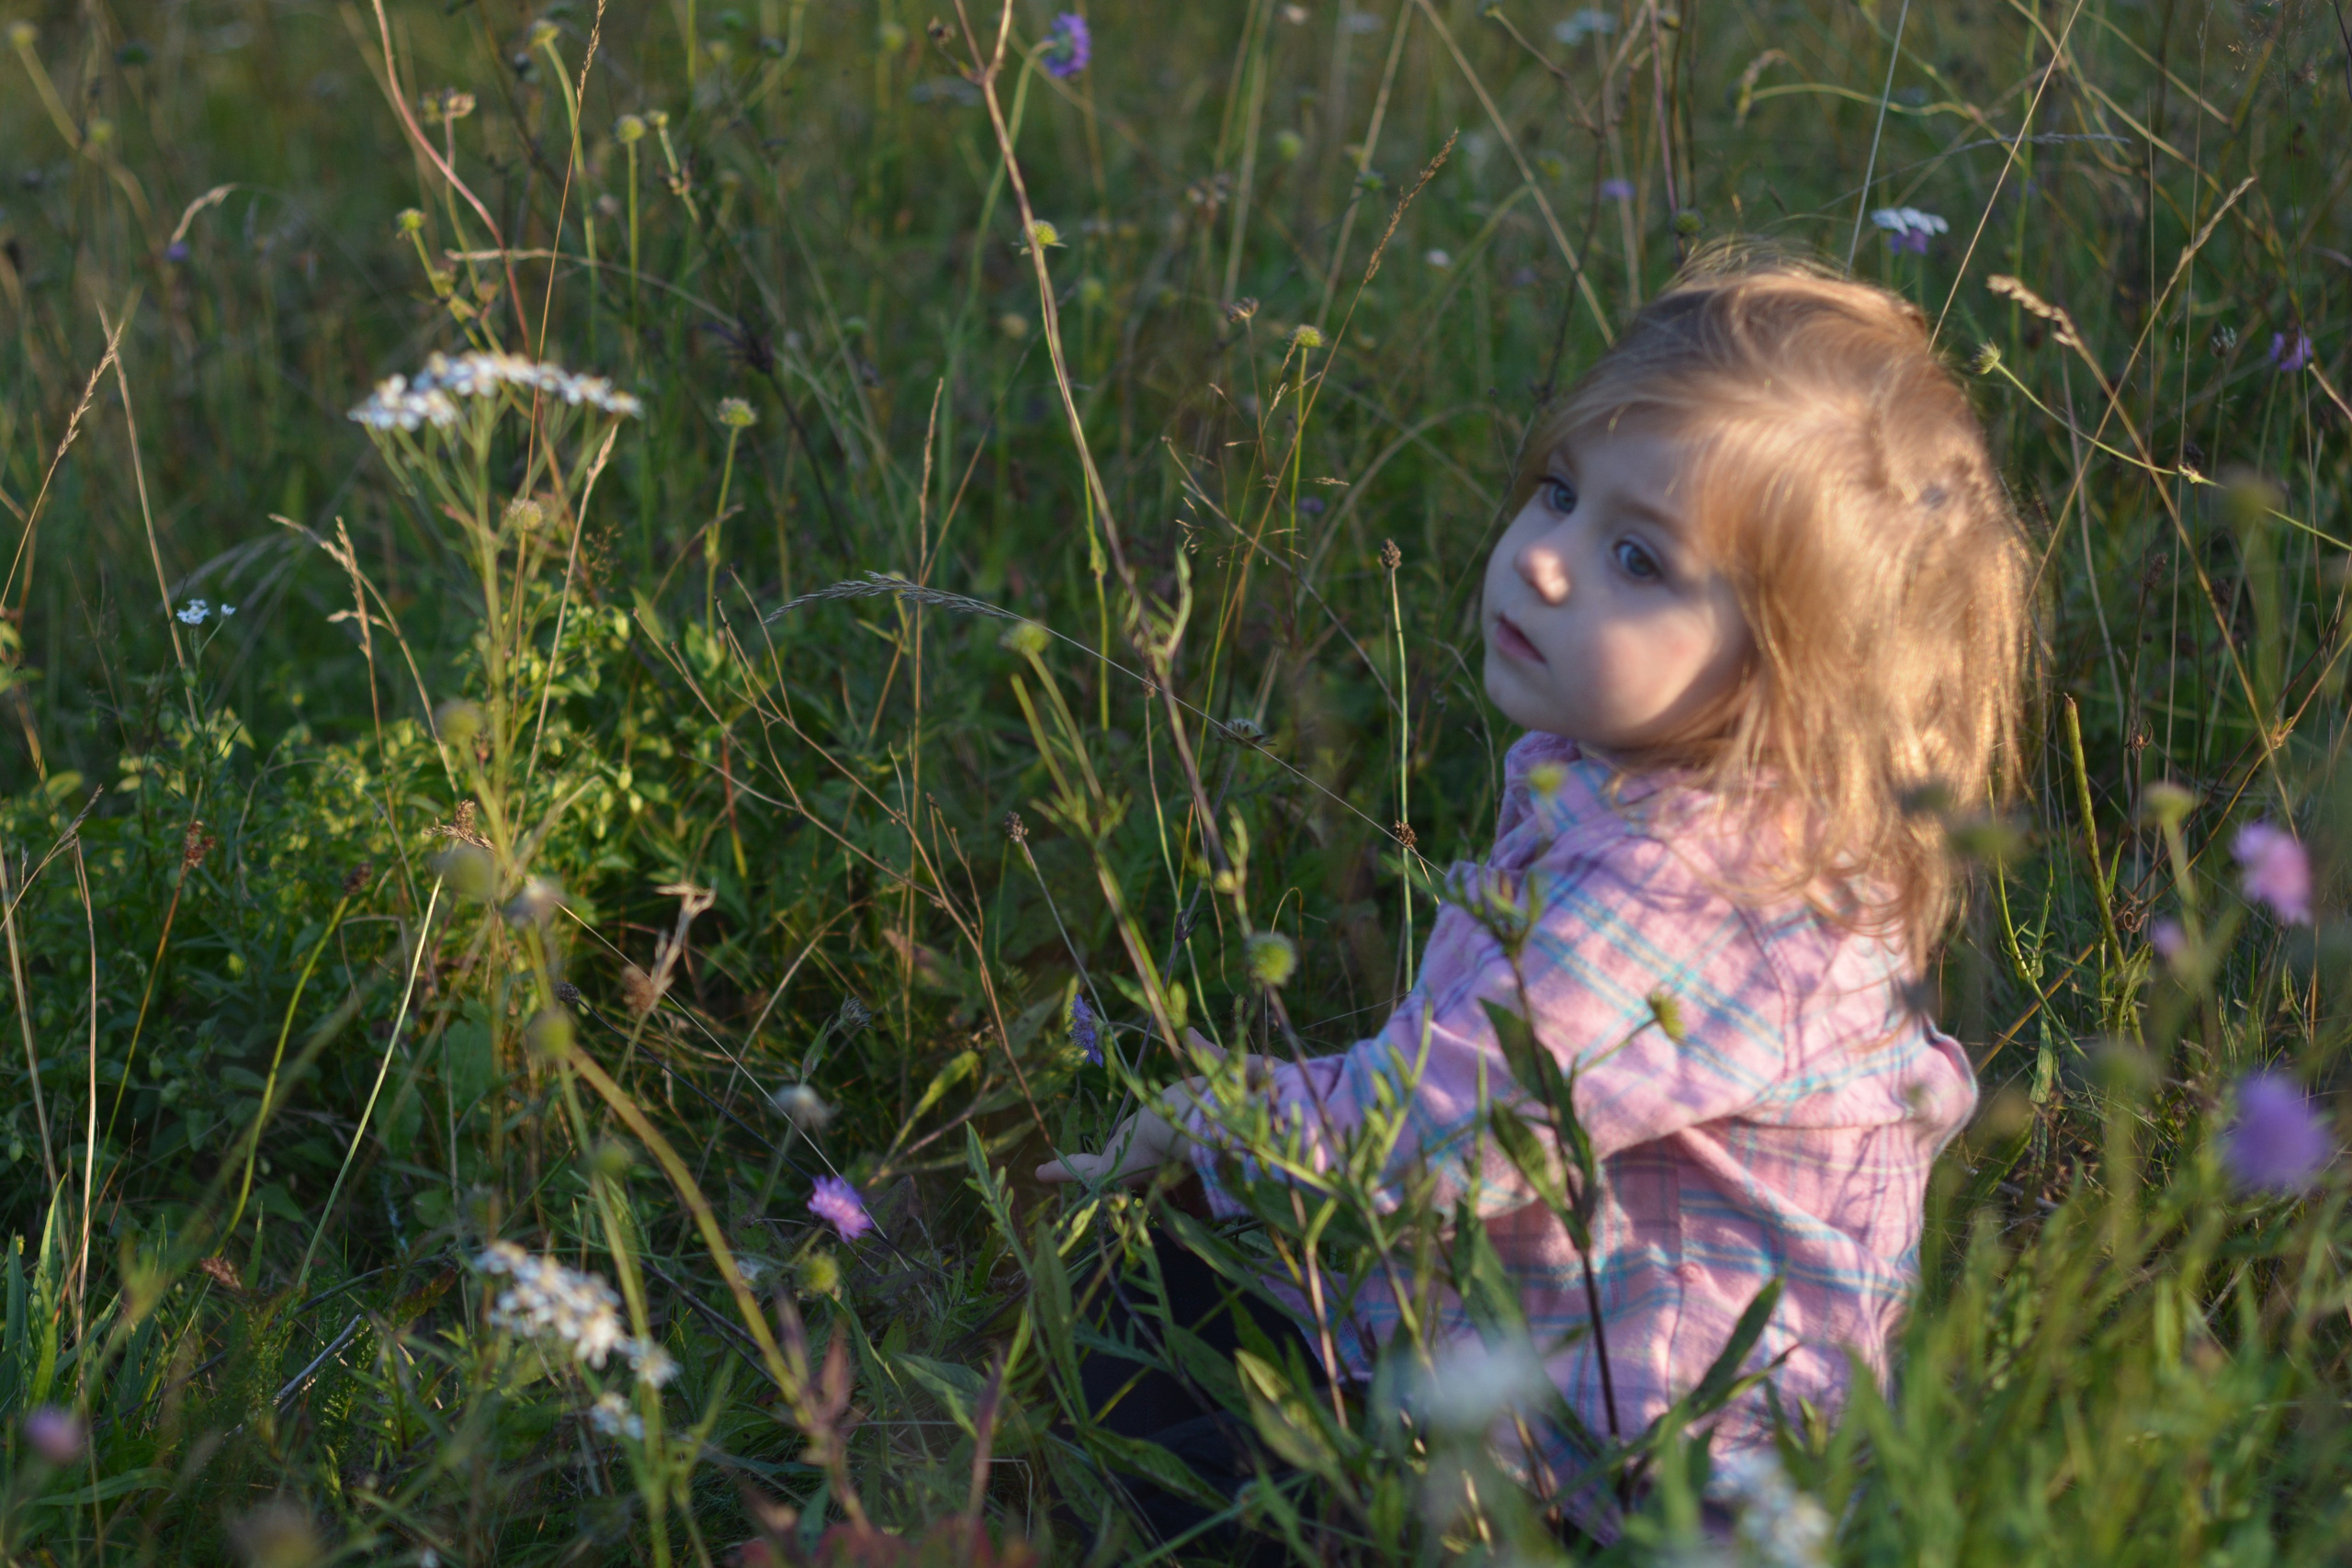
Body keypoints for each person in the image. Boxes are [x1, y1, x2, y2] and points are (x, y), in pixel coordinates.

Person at [1036, 251, 2030, 1538]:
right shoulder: (1734, 817)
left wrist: (1212, 1117)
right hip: (1639, 1398)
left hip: (1622, 1473)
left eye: (1636, 557)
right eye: (1558, 495)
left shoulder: (1686, 897)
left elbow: (1437, 1134)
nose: (1545, 561)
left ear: (1793, 674)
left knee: (1156, 1322)